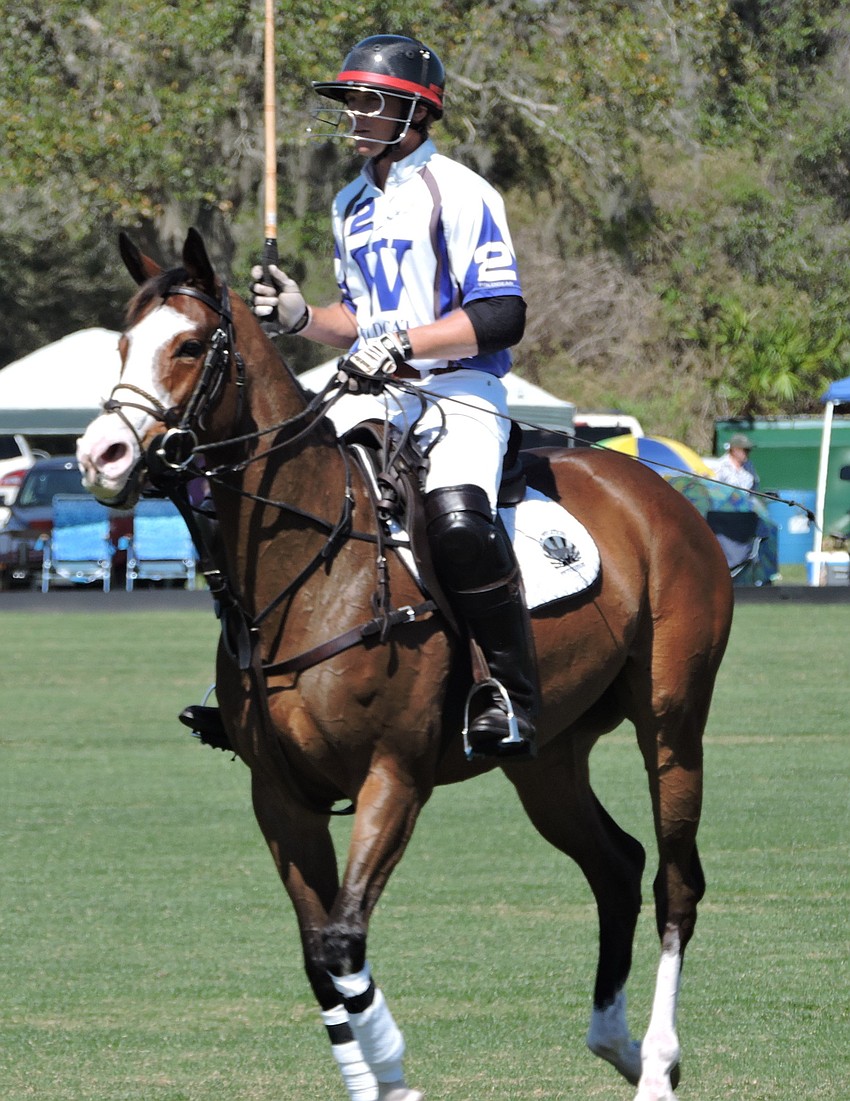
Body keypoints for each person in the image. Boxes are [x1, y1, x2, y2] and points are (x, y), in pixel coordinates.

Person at [250, 34, 536, 757]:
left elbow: (502, 314)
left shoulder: (461, 190)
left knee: (460, 522)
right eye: (348, 101)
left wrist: (407, 343)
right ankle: (246, 676)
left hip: (457, 387)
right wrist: (303, 319)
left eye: (366, 101)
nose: (351, 115)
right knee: (267, 488)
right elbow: (357, 317)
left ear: (413, 111)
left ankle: (506, 691)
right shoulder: (349, 203)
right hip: (368, 390)